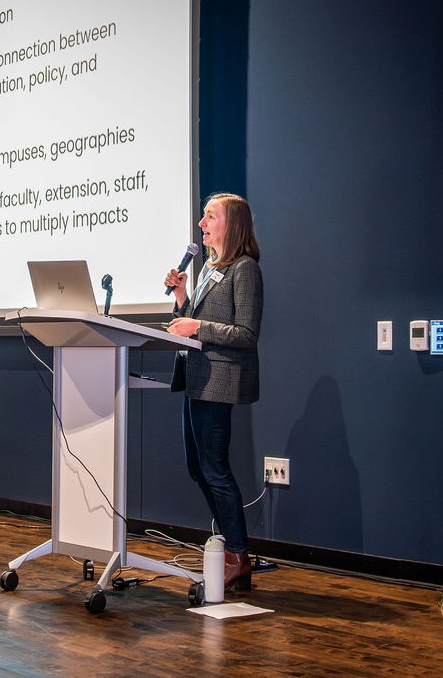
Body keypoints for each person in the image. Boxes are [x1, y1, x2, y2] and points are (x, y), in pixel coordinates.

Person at [164, 192, 263, 592]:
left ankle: (238, 557)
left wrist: (198, 327)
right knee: (198, 467)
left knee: (215, 468)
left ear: (232, 224)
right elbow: (191, 323)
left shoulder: (245, 268)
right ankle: (230, 548)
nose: (201, 224)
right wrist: (182, 299)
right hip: (196, 378)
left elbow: (246, 333)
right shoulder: (209, 266)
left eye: (210, 216)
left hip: (219, 381)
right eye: (203, 217)